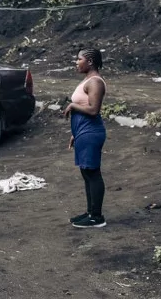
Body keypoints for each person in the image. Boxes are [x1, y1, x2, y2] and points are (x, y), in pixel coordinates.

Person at [63, 49, 108, 229]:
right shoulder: (87, 80)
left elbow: (93, 110)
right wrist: (75, 133)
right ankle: (90, 212)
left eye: (79, 59)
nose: (76, 62)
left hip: (91, 131)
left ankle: (97, 216)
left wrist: (72, 105)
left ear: (89, 61)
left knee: (92, 173)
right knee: (86, 172)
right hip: (83, 132)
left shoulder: (96, 82)